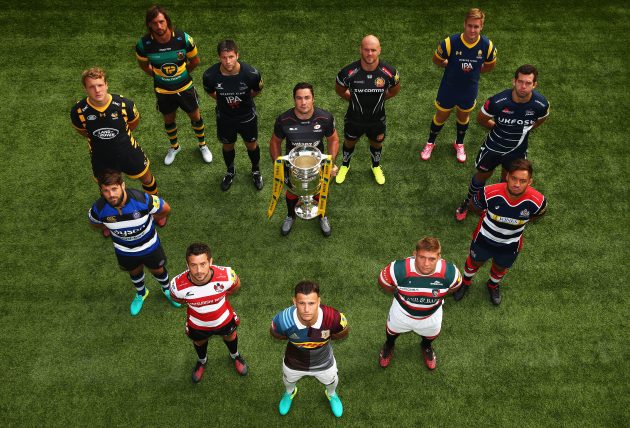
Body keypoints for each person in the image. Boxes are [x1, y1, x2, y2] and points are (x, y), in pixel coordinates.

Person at [455, 64, 549, 221]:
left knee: (508, 180)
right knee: (482, 176)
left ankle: (499, 205)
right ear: (514, 81)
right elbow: (481, 119)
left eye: (528, 83)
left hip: (517, 151)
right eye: (520, 82)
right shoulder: (498, 101)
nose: (523, 86)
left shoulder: (541, 104)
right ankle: (468, 202)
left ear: (534, 85)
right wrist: (497, 127)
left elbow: (541, 119)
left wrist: (525, 129)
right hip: (493, 147)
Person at [453, 159, 547, 305]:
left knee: (500, 267)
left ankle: (492, 285)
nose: (517, 184)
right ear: (507, 176)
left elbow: (536, 216)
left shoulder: (538, 201)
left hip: (510, 244)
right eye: (514, 178)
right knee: (475, 262)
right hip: (484, 238)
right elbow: (474, 206)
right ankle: (465, 282)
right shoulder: (488, 192)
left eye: (522, 181)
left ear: (530, 182)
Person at [88, 170, 181, 316]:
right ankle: (141, 293)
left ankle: (166, 289)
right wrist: (110, 227)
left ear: (122, 185)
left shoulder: (142, 199)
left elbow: (165, 208)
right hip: (124, 251)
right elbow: (94, 223)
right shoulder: (98, 209)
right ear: (101, 191)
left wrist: (154, 220)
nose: (111, 195)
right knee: (134, 272)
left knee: (158, 270)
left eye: (114, 189)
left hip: (150, 246)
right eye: (106, 191)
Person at [135, 5, 212, 166]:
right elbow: (144, 66)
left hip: (185, 88)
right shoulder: (143, 44)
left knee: (195, 117)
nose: (159, 26)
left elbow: (195, 61)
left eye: (161, 21)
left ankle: (203, 145)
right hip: (163, 91)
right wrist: (160, 77)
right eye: (154, 23)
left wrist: (181, 75)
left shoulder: (183, 39)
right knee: (169, 120)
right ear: (149, 24)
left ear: (167, 21)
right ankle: (175, 147)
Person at [420, 8, 497, 163]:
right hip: (448, 88)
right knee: (441, 116)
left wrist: (475, 71)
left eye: (476, 26)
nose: (472, 30)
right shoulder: (450, 42)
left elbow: (490, 65)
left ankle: (459, 143)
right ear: (464, 24)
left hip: (469, 90)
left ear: (481, 27)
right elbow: (437, 60)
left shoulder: (487, 46)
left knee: (463, 117)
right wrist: (449, 65)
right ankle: (430, 143)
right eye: (470, 26)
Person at [71, 67, 159, 200]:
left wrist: (118, 138)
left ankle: (155, 206)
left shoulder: (125, 104)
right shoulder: (78, 111)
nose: (97, 90)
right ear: (85, 89)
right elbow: (83, 131)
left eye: (100, 85)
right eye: (92, 87)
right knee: (107, 188)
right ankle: (116, 210)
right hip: (101, 157)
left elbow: (133, 123)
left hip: (128, 151)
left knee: (146, 179)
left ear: (106, 85)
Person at [377, 237, 462, 370]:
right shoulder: (397, 269)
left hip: (431, 315)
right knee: (392, 331)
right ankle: (389, 345)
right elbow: (383, 282)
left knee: (431, 334)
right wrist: (400, 294)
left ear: (439, 257)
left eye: (432, 259)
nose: (426, 264)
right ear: (415, 254)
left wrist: (436, 297)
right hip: (402, 312)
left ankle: (426, 346)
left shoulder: (450, 273)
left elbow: (455, 287)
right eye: (422, 257)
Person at [169, 242, 248, 383]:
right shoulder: (177, 285)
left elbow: (236, 287)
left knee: (230, 336)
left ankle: (235, 355)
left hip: (224, 319)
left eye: (203, 264)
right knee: (199, 342)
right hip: (197, 324)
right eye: (193, 265)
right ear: (187, 265)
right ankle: (202, 360)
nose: (199, 270)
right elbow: (178, 299)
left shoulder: (227, 275)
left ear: (210, 262)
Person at [269, 82, 339, 237]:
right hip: (292, 166)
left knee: (319, 190)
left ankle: (322, 216)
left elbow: (333, 140)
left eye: (307, 97)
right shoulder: (284, 119)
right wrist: (278, 164)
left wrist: (331, 163)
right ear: (294, 99)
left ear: (313, 98)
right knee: (292, 191)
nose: (303, 102)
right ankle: (290, 216)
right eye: (299, 98)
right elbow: (275, 142)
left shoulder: (325, 118)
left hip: (317, 166)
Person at [270, 280, 349, 418]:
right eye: (302, 303)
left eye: (311, 303)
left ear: (318, 301)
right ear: (294, 302)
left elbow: (343, 331)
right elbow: (276, 334)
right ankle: (289, 392)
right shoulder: (282, 320)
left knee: (331, 382)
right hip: (294, 361)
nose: (306, 309)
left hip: (324, 361)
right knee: (288, 381)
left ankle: (331, 394)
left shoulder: (333, 317)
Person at [335, 34, 400, 185]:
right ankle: (345, 165)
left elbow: (394, 90)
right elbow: (340, 90)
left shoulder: (390, 72)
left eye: (373, 50)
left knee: (376, 144)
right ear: (360, 50)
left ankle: (375, 166)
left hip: (377, 120)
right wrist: (353, 99)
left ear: (379, 50)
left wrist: (381, 98)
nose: (369, 53)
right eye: (366, 50)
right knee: (349, 142)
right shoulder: (347, 73)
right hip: (354, 119)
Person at [202, 39, 264, 191]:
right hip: (225, 117)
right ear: (219, 57)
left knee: (251, 144)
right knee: (228, 145)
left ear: (237, 55)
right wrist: (226, 100)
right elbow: (211, 92)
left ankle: (256, 170)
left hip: (247, 116)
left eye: (231, 57)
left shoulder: (251, 74)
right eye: (224, 57)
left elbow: (256, 90)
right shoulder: (210, 75)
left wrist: (241, 99)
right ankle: (230, 171)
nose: (228, 61)